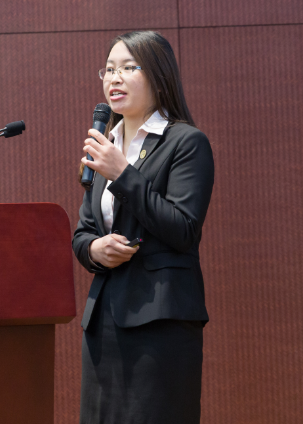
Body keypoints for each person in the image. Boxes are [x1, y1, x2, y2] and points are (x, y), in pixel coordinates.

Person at [73, 30, 215, 424]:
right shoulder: (105, 146)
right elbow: (84, 232)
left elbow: (183, 228)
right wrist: (94, 250)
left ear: (158, 75)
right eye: (109, 69)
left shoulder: (186, 143)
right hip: (103, 322)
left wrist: (122, 174)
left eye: (128, 68)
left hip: (160, 322)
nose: (114, 78)